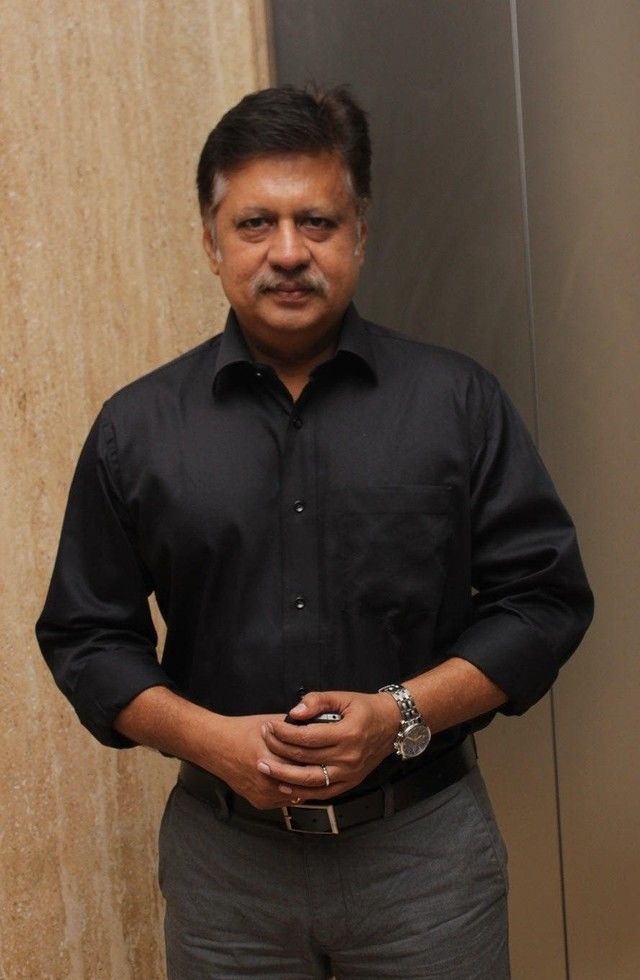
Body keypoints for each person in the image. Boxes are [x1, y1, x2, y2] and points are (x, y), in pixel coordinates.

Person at [36, 85, 593, 979]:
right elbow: (86, 635)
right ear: (211, 241)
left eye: (318, 222)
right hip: (227, 875)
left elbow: (545, 601)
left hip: (424, 863)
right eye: (256, 223)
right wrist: (210, 739)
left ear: (359, 234)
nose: (289, 252)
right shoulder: (135, 430)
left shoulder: (457, 403)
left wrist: (399, 715)